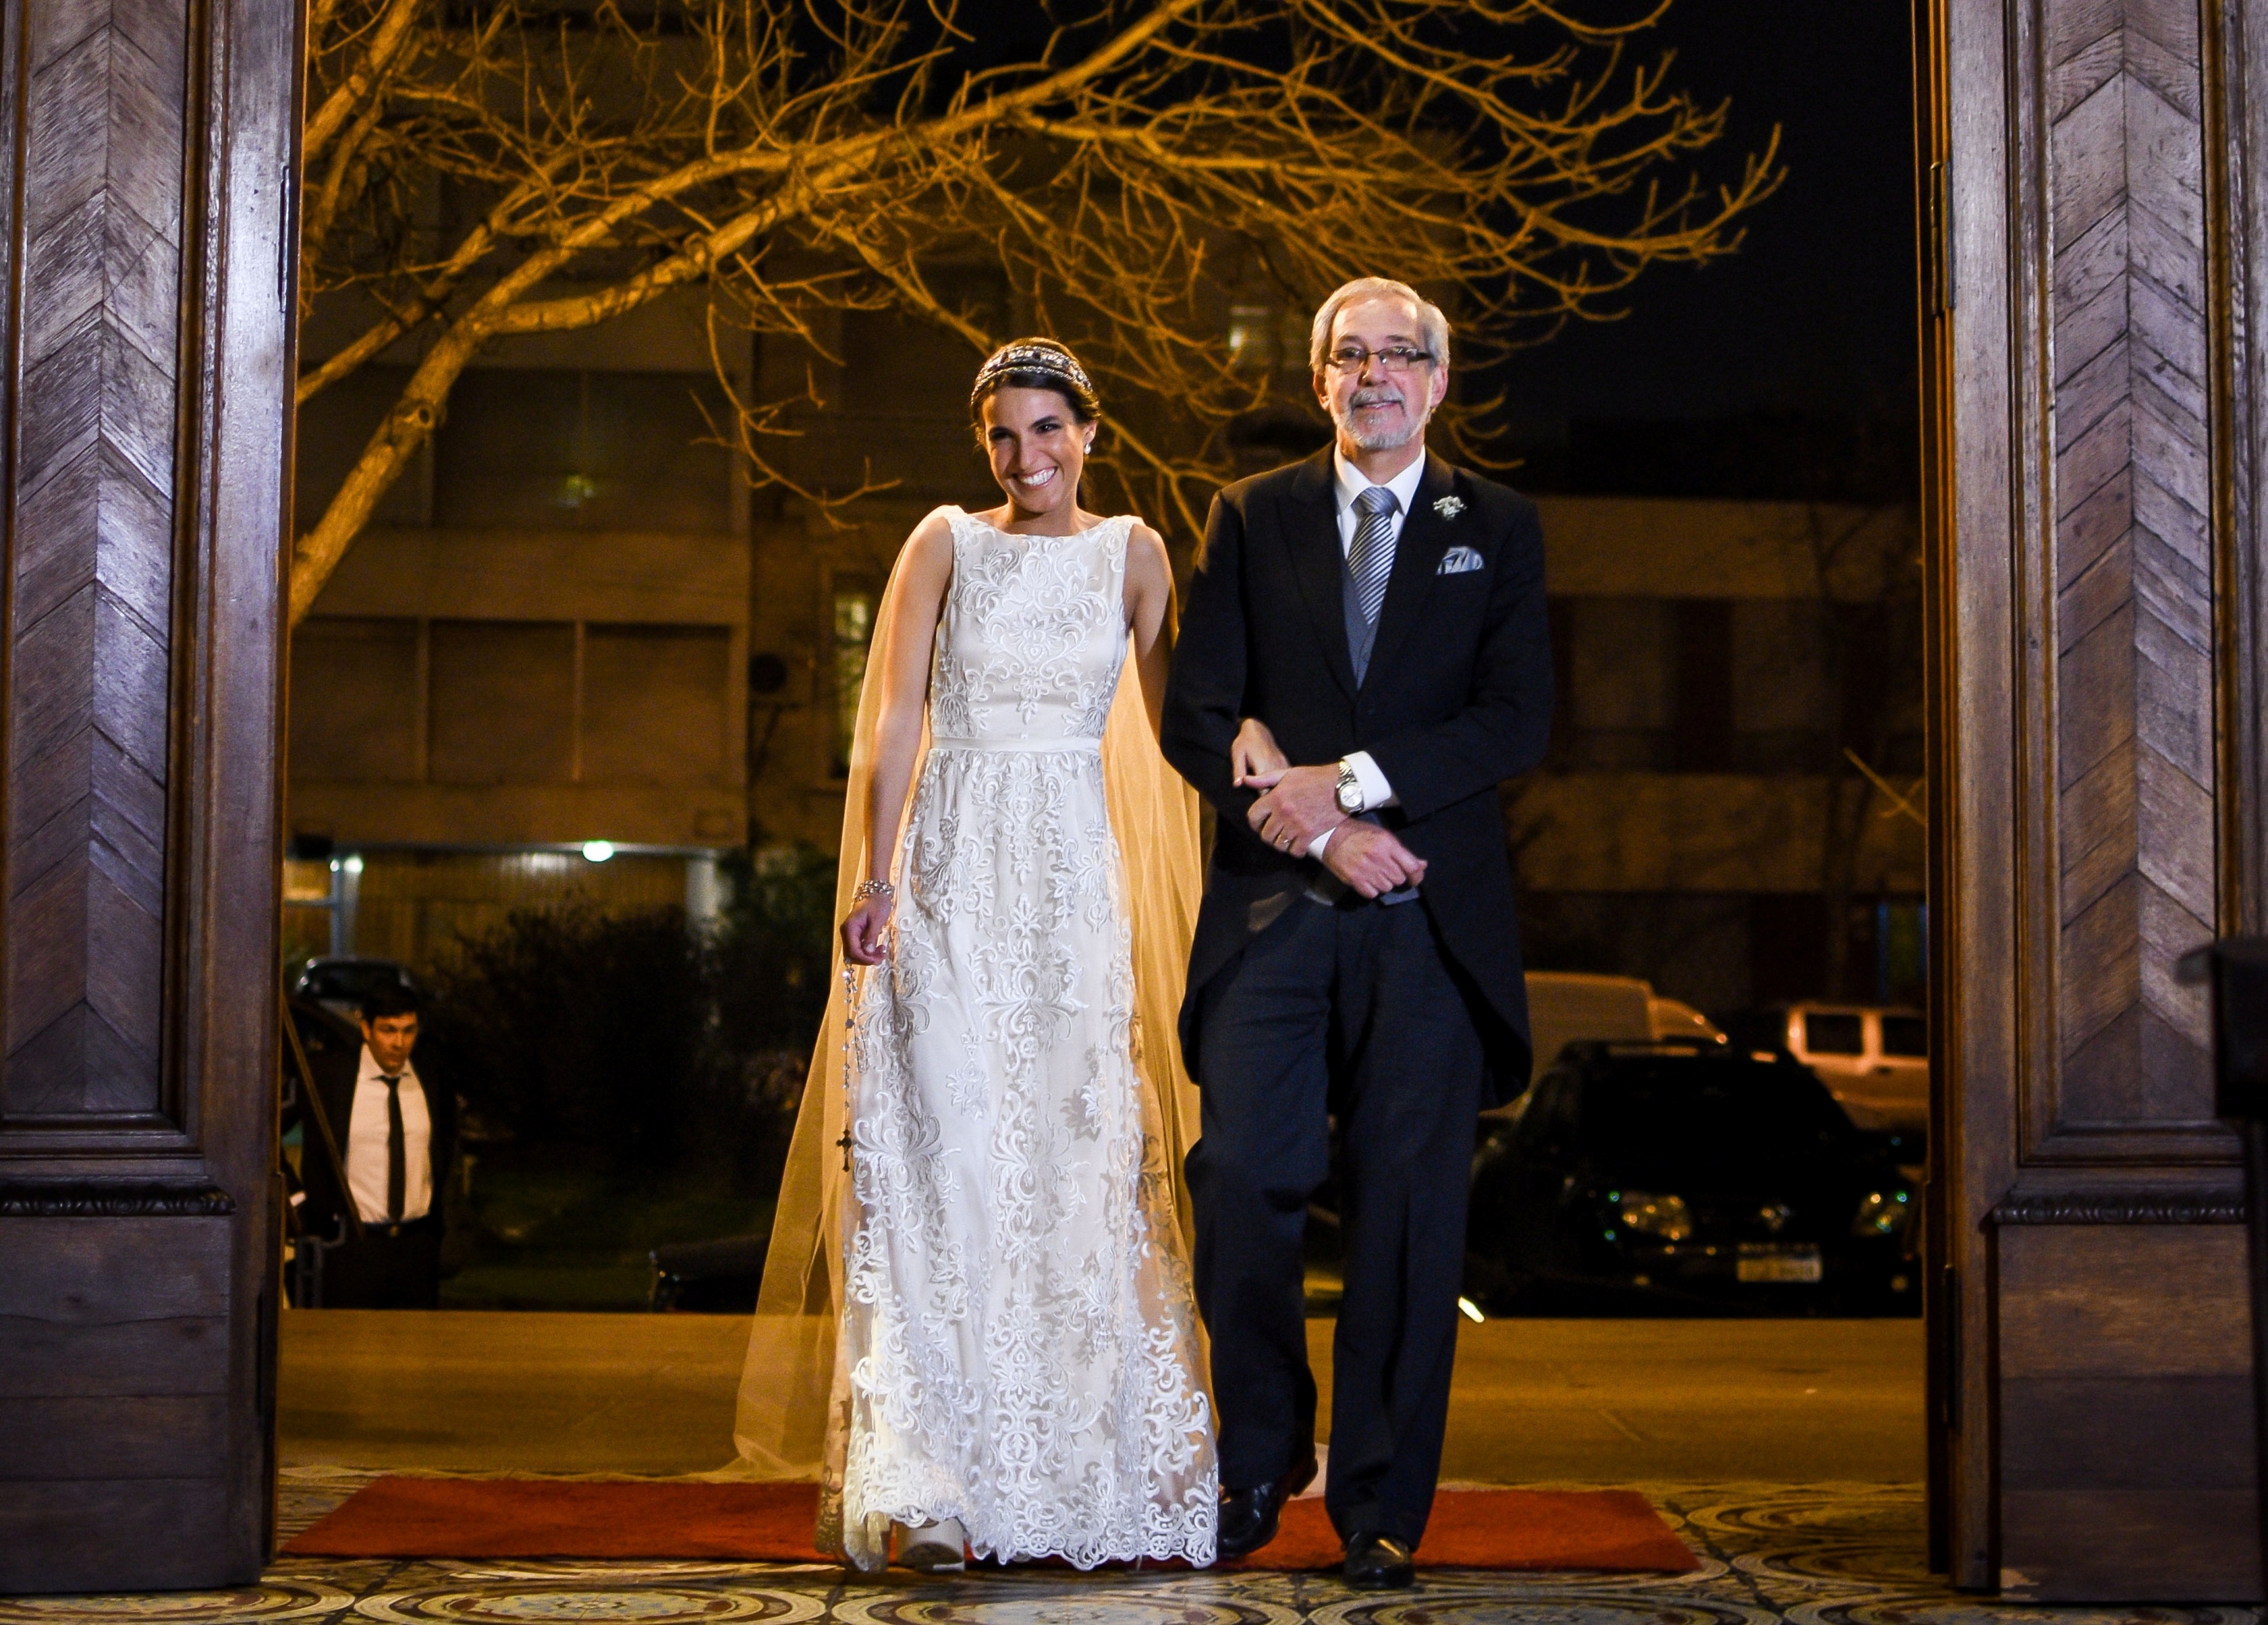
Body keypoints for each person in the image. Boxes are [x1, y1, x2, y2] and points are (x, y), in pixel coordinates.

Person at [735, 339, 1224, 1572]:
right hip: (949, 871)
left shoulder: (1135, 554)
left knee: (1066, 1162)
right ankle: (932, 1484)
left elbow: (1181, 727)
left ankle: (1070, 1469)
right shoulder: (943, 541)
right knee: (941, 1159)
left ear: (1088, 433)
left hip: (1066, 887)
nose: (1026, 454)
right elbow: (892, 717)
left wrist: (1279, 776)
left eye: (1047, 428)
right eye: (1004, 434)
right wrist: (876, 875)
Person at [1160, 276, 1554, 1588]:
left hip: (1429, 915)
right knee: (1239, 1179)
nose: (1373, 374)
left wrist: (1355, 783)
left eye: (1399, 355)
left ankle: (1378, 1505)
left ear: (1436, 381)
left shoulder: (1496, 528)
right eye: (1350, 355)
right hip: (1274, 910)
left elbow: (1514, 720)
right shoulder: (1249, 515)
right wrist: (1324, 833)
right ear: (1318, 378)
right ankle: (1259, 1457)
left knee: (1405, 1212)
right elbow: (1197, 715)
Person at [284, 984, 456, 1309]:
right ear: (366, 1029)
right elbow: (265, 1131)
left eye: (408, 1031)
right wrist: (298, 1200)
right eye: (388, 1030)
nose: (399, 1043)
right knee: (349, 1338)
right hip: (350, 1245)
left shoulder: (431, 1077)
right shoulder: (329, 1076)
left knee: (414, 1339)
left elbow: (446, 1148)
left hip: (416, 1249)